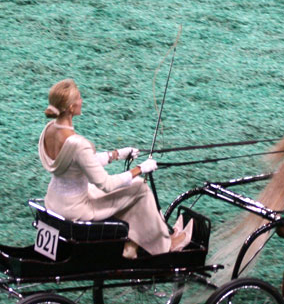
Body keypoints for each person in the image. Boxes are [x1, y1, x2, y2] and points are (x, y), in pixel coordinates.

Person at [38, 79, 191, 256]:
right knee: (139, 187)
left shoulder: (49, 131)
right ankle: (165, 246)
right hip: (78, 209)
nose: (82, 101)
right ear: (71, 108)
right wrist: (140, 168)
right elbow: (107, 184)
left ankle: (133, 244)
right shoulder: (79, 144)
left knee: (128, 189)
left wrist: (118, 154)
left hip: (55, 201)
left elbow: (80, 162)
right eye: (79, 98)